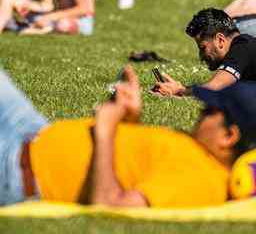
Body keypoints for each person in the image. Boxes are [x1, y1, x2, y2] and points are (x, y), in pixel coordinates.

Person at [1, 65, 256, 208]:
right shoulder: (198, 153)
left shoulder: (201, 180)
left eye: (209, 111)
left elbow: (109, 204)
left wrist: (105, 130)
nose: (199, 113)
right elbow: (131, 164)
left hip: (17, 169)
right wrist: (128, 120)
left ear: (228, 136)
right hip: (32, 130)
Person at [153, 8, 256, 97]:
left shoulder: (243, 46)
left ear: (220, 40)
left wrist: (179, 91)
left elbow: (214, 88)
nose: (201, 56)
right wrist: (181, 90)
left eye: (203, 48)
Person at [0, 0, 95, 35]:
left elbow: (85, 9)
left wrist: (49, 17)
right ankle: (22, 27)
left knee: (63, 24)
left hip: (78, 20)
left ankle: (34, 30)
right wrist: (26, 5)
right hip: (52, 16)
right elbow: (48, 5)